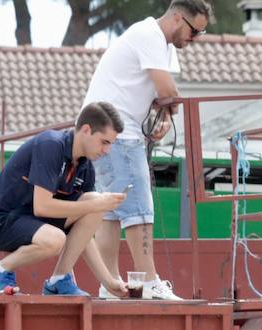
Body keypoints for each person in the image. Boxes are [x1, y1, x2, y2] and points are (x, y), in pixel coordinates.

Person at [83, 0, 213, 301]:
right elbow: (168, 92)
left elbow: (161, 96)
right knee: (139, 207)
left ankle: (110, 284)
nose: (194, 41)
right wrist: (169, 110)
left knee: (110, 210)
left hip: (107, 129)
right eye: (194, 32)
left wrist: (165, 116)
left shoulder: (159, 42)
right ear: (178, 19)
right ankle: (151, 283)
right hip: (119, 132)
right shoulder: (150, 36)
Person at [0, 102, 131, 298]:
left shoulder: (85, 167)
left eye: (110, 144)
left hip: (32, 221)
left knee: (93, 200)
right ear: (86, 130)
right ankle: (0, 270)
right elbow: (42, 207)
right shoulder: (50, 145)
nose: (107, 150)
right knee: (60, 235)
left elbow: (84, 235)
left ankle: (59, 280)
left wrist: (109, 281)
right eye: (104, 142)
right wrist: (96, 204)